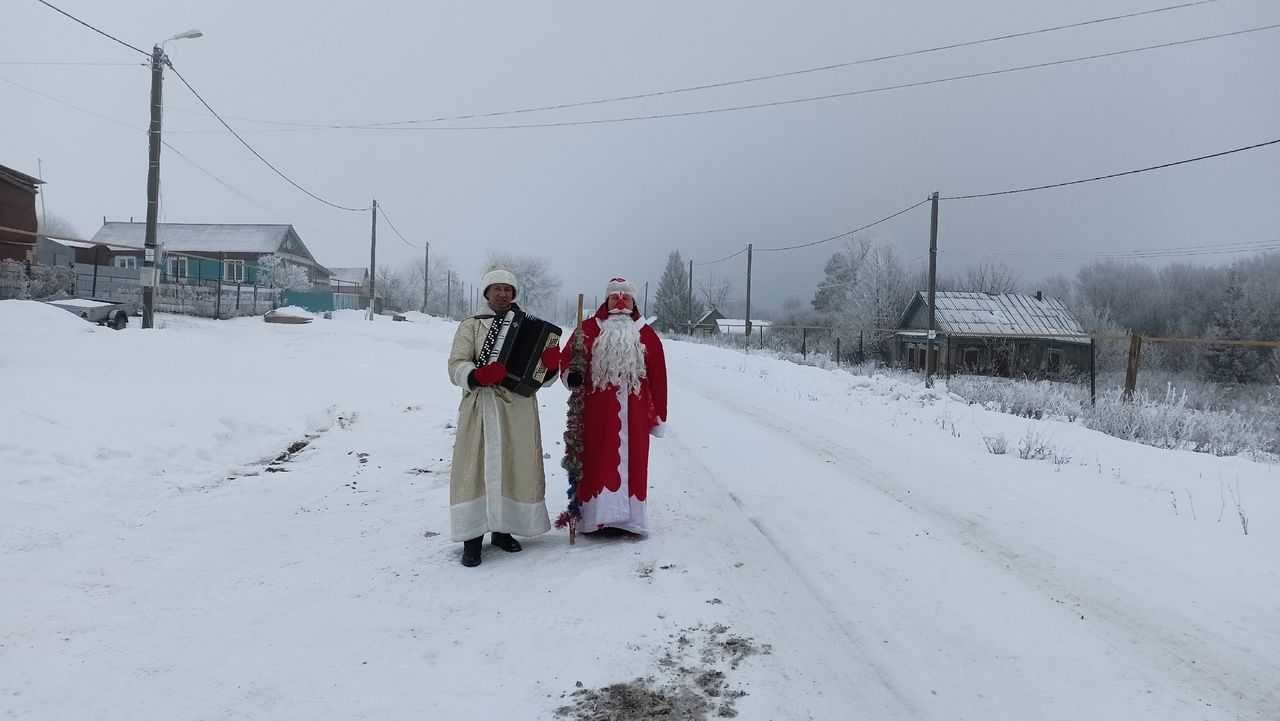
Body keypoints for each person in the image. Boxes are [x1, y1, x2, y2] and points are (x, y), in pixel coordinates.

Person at [447, 269, 561, 567]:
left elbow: (540, 378)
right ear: (486, 293)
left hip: (518, 408)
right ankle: (472, 539)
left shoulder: (533, 328)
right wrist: (476, 374)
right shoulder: (471, 326)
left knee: (514, 464)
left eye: (507, 290)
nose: (502, 294)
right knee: (477, 468)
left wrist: (549, 367)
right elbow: (456, 363)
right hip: (482, 407)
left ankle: (502, 531)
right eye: (496, 289)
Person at [561, 277, 667, 536]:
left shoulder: (646, 334)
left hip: (636, 413)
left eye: (626, 297)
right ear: (606, 302)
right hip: (596, 412)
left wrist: (658, 416)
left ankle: (629, 521)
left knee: (633, 463)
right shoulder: (587, 329)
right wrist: (571, 375)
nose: (620, 302)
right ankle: (596, 518)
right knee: (597, 459)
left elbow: (658, 377)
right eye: (614, 297)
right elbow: (568, 360)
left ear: (633, 302)